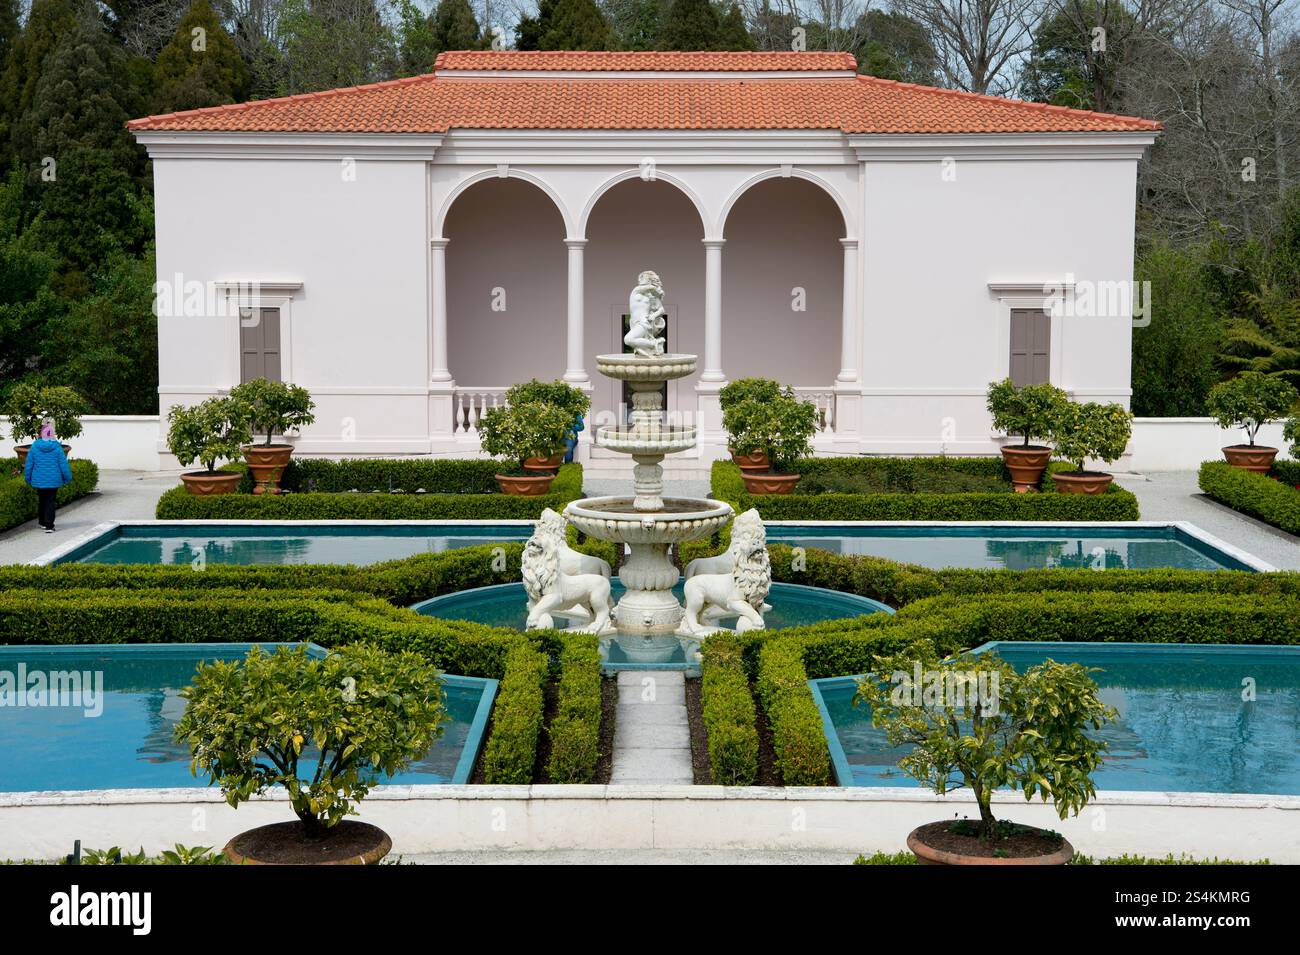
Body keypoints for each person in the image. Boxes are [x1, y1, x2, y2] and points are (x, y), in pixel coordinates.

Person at [23, 419, 72, 533]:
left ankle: (42, 522)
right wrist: (67, 478)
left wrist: (28, 478)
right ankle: (49, 526)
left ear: (40, 434)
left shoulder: (34, 447)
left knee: (42, 500)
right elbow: (63, 465)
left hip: (39, 480)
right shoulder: (57, 448)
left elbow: (29, 464)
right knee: (50, 501)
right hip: (54, 480)